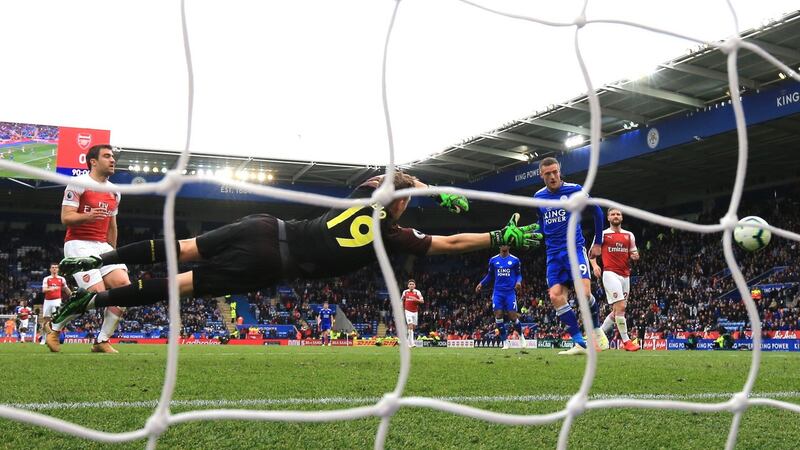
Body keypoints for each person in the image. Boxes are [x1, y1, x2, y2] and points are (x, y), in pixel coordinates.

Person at [52, 172, 541, 330]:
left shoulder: (360, 195)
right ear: (402, 206)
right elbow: (451, 242)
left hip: (262, 226)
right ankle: (90, 300)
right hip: (270, 262)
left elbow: (389, 180)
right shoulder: (392, 236)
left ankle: (94, 260)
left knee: (181, 247)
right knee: (178, 286)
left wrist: (429, 186)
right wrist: (499, 237)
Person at [46, 144, 132, 354]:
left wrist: (113, 251)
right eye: (107, 156)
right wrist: (87, 216)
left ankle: (101, 341)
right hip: (79, 244)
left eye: (113, 157)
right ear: (93, 161)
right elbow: (66, 218)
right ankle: (54, 328)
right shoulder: (78, 184)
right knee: (96, 294)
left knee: (125, 289)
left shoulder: (114, 191)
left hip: (102, 246)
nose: (112, 160)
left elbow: (112, 225)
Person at [533, 157, 607, 356]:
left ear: (559, 171)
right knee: (555, 296)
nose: (552, 176)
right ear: (541, 175)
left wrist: (598, 242)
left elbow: (597, 212)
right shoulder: (538, 197)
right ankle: (578, 342)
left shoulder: (574, 189)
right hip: (553, 254)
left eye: (555, 172)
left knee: (583, 294)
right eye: (547, 173)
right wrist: (532, 233)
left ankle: (596, 328)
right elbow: (541, 224)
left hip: (574, 249)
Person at [590, 208, 641, 352]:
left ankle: (595, 338)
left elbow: (634, 252)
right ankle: (626, 342)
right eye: (613, 214)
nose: (615, 216)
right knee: (621, 308)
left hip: (626, 276)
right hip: (610, 274)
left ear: (622, 217)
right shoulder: (603, 235)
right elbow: (591, 253)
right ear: (608, 218)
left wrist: (635, 256)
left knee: (616, 311)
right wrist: (594, 266)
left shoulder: (629, 235)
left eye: (618, 214)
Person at [475, 245, 526, 350]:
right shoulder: (493, 260)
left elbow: (519, 275)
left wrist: (519, 282)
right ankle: (505, 342)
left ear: (508, 246)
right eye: (502, 244)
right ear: (499, 246)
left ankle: (521, 336)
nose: (504, 246)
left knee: (513, 316)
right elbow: (490, 275)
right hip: (498, 292)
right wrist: (481, 283)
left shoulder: (515, 260)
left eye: (506, 244)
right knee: (498, 316)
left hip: (510, 293)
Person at [41, 263, 71, 345]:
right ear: (50, 269)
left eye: (56, 267)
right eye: (53, 267)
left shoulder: (61, 279)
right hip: (48, 301)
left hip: (57, 300)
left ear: (58, 269)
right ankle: (44, 338)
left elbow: (65, 288)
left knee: (56, 320)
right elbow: (43, 290)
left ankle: (54, 338)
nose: (54, 269)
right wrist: (51, 288)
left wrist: (72, 295)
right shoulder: (46, 279)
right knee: (46, 320)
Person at [401, 279, 424, 348]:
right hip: (407, 311)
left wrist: (415, 299)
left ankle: (408, 342)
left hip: (415, 312)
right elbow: (402, 300)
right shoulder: (405, 292)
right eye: (410, 284)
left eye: (412, 284)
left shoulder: (417, 292)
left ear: (415, 285)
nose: (411, 285)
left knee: (413, 328)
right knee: (410, 326)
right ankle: (412, 343)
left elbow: (422, 301)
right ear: (408, 285)